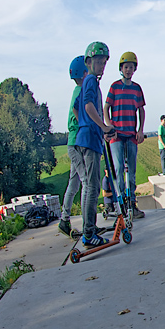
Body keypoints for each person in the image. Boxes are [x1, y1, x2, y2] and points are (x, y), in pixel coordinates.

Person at [75, 42, 115, 248]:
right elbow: (88, 106)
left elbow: (77, 107)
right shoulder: (90, 80)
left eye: (104, 62)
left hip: (88, 137)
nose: (101, 66)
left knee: (89, 187)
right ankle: (89, 233)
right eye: (98, 61)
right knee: (92, 188)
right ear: (88, 62)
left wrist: (98, 129)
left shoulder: (87, 82)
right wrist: (103, 126)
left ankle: (88, 230)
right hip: (89, 139)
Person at [104, 51, 146, 218]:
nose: (129, 70)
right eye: (126, 67)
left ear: (135, 69)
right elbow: (106, 107)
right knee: (119, 167)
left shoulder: (136, 89)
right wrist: (109, 125)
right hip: (116, 134)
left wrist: (141, 130)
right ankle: (120, 203)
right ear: (121, 68)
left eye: (131, 67)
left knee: (132, 171)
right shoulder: (114, 87)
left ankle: (132, 204)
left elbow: (141, 110)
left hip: (131, 134)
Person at [59, 56, 87, 239]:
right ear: (85, 73)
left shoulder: (77, 90)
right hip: (77, 143)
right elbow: (80, 117)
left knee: (74, 183)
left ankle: (64, 219)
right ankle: (88, 224)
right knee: (86, 182)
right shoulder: (81, 92)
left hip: (72, 143)